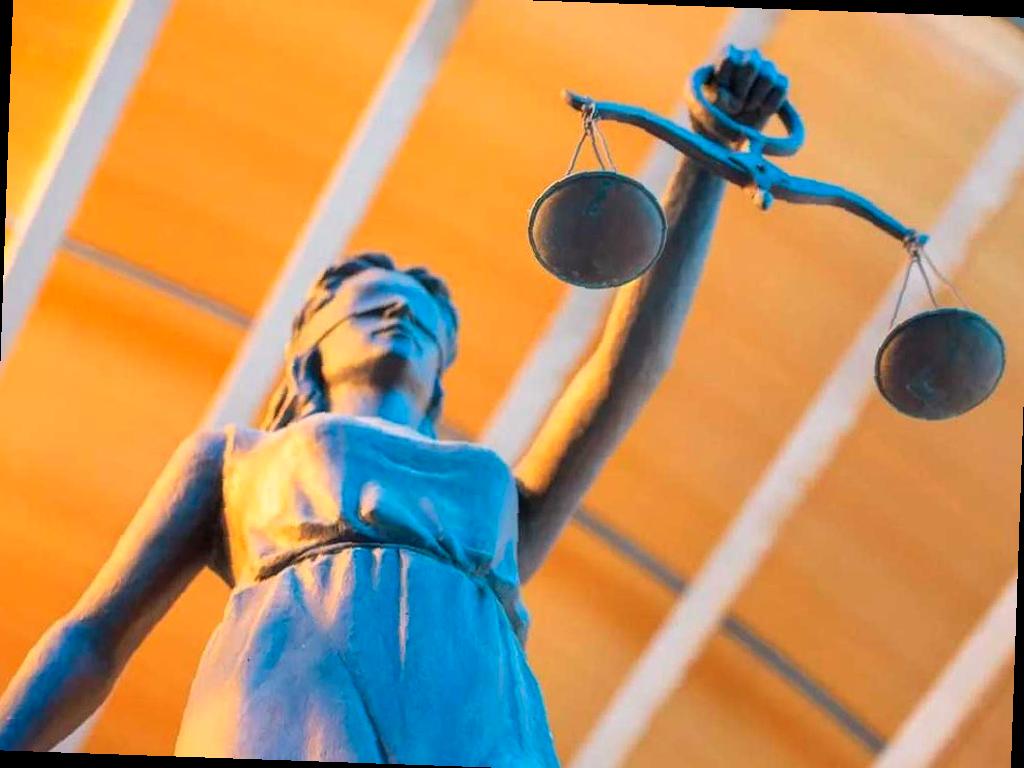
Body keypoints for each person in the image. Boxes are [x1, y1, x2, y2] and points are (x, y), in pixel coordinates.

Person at [0, 47, 788, 765]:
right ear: (311, 347)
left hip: (481, 718)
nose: (400, 311)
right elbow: (93, 637)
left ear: (440, 373)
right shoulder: (235, 461)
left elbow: (626, 373)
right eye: (370, 301)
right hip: (291, 697)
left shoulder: (495, 498)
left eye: (424, 317)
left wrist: (707, 152)